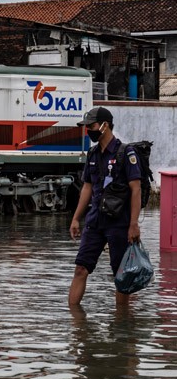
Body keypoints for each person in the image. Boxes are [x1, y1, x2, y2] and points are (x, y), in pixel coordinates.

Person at [68, 107, 141, 307]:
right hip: (94, 222)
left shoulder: (126, 153)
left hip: (119, 223)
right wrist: (75, 218)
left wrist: (133, 224)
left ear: (104, 125)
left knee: (121, 276)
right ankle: (75, 325)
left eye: (90, 126)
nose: (87, 131)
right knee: (80, 269)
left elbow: (136, 189)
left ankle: (122, 327)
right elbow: (87, 188)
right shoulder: (92, 154)